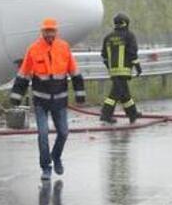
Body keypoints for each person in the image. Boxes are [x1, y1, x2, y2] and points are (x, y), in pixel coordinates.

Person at [10, 18, 85, 181]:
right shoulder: (34, 49)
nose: (49, 34)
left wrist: (80, 93)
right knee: (42, 134)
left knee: (64, 133)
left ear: (56, 32)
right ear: (42, 32)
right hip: (41, 102)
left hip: (60, 100)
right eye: (47, 31)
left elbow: (74, 72)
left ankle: (56, 156)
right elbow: (23, 74)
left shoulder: (64, 47)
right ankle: (46, 167)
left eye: (52, 31)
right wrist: (16, 96)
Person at [100, 13, 142, 124]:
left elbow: (104, 56)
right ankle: (105, 115)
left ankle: (132, 113)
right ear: (126, 23)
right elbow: (133, 53)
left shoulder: (108, 37)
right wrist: (138, 67)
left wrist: (110, 68)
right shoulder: (129, 36)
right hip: (124, 70)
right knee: (115, 94)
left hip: (113, 71)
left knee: (124, 94)